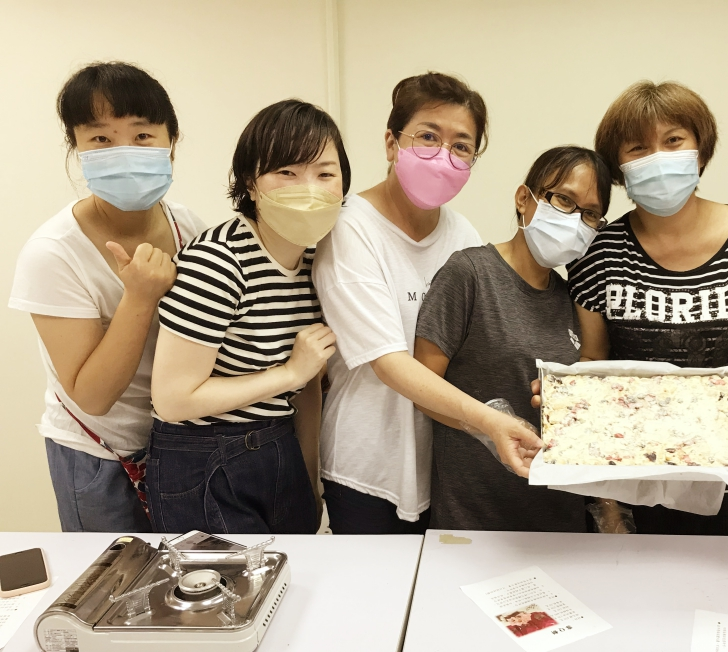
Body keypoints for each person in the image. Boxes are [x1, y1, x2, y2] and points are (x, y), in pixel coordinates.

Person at [562, 80, 728, 536]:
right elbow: (593, 359)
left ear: (700, 151)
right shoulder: (600, 250)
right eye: (637, 148)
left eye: (673, 141)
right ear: (619, 168)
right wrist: (604, 497)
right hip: (638, 474)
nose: (658, 158)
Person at [315, 72, 541, 534]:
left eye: (461, 146)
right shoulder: (349, 228)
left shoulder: (462, 235)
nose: (444, 155)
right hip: (370, 469)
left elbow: (480, 349)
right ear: (391, 142)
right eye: (428, 137)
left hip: (445, 463)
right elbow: (390, 364)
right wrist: (491, 421)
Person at [8, 62, 206, 532]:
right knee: (115, 577)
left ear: (171, 141)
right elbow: (92, 396)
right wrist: (139, 296)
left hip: (180, 442)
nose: (125, 152)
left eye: (142, 136)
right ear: (76, 147)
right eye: (101, 138)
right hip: (100, 455)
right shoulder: (53, 253)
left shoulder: (188, 225)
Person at [146, 100, 347, 534]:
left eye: (325, 174)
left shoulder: (318, 260)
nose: (308, 188)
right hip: (202, 456)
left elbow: (307, 388)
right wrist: (289, 373)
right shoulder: (218, 261)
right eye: (286, 172)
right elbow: (173, 400)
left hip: (277, 443)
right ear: (251, 184)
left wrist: (310, 482)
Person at [414, 146, 611, 532]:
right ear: (524, 199)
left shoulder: (575, 299)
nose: (575, 221)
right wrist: (489, 425)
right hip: (475, 517)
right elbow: (421, 388)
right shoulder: (470, 274)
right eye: (564, 200)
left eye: (590, 213)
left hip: (560, 519)